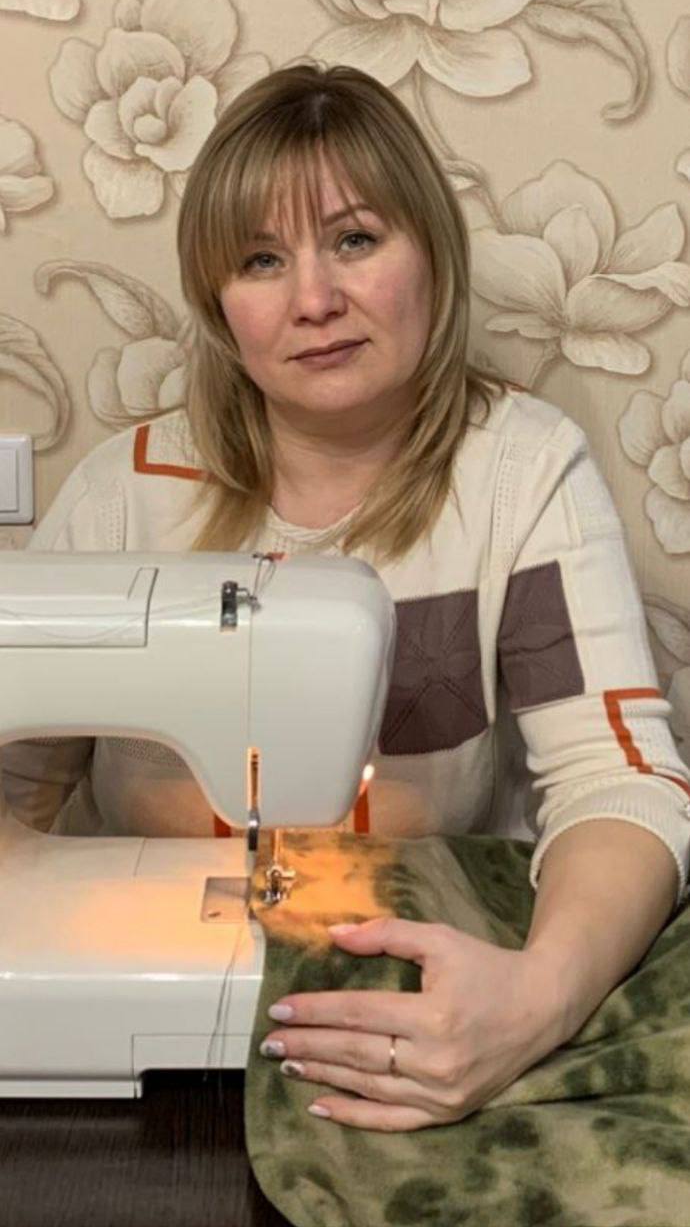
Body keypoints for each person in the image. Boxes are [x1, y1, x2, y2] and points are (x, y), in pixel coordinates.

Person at [2, 63, 689, 1133]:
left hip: (420, 1004)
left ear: (432, 254)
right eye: (260, 260)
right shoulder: (124, 495)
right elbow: (14, 790)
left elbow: (619, 779)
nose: (314, 300)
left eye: (356, 239)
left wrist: (538, 997)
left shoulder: (517, 475)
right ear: (218, 304)